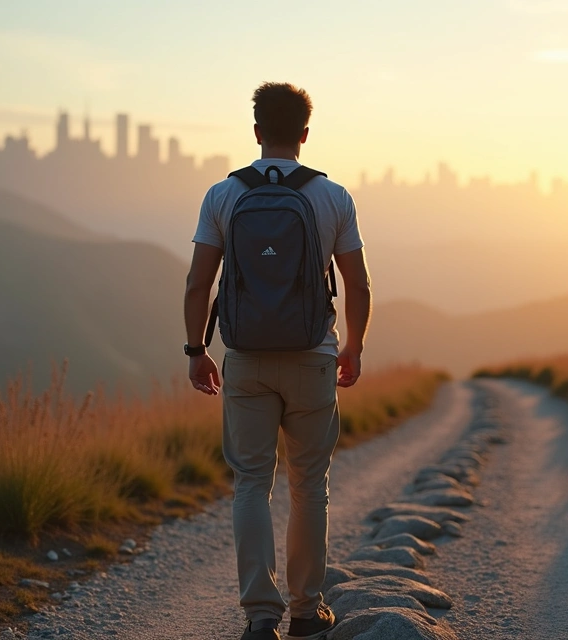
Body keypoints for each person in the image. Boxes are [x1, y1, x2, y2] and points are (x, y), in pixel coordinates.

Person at [183, 82, 372, 640]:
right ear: (305, 135)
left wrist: (197, 350)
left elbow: (199, 282)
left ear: (258, 131)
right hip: (314, 355)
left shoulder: (222, 196)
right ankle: (307, 614)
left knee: (251, 484)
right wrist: (353, 345)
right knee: (310, 484)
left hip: (245, 358)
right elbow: (357, 282)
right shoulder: (333, 197)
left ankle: (259, 616)